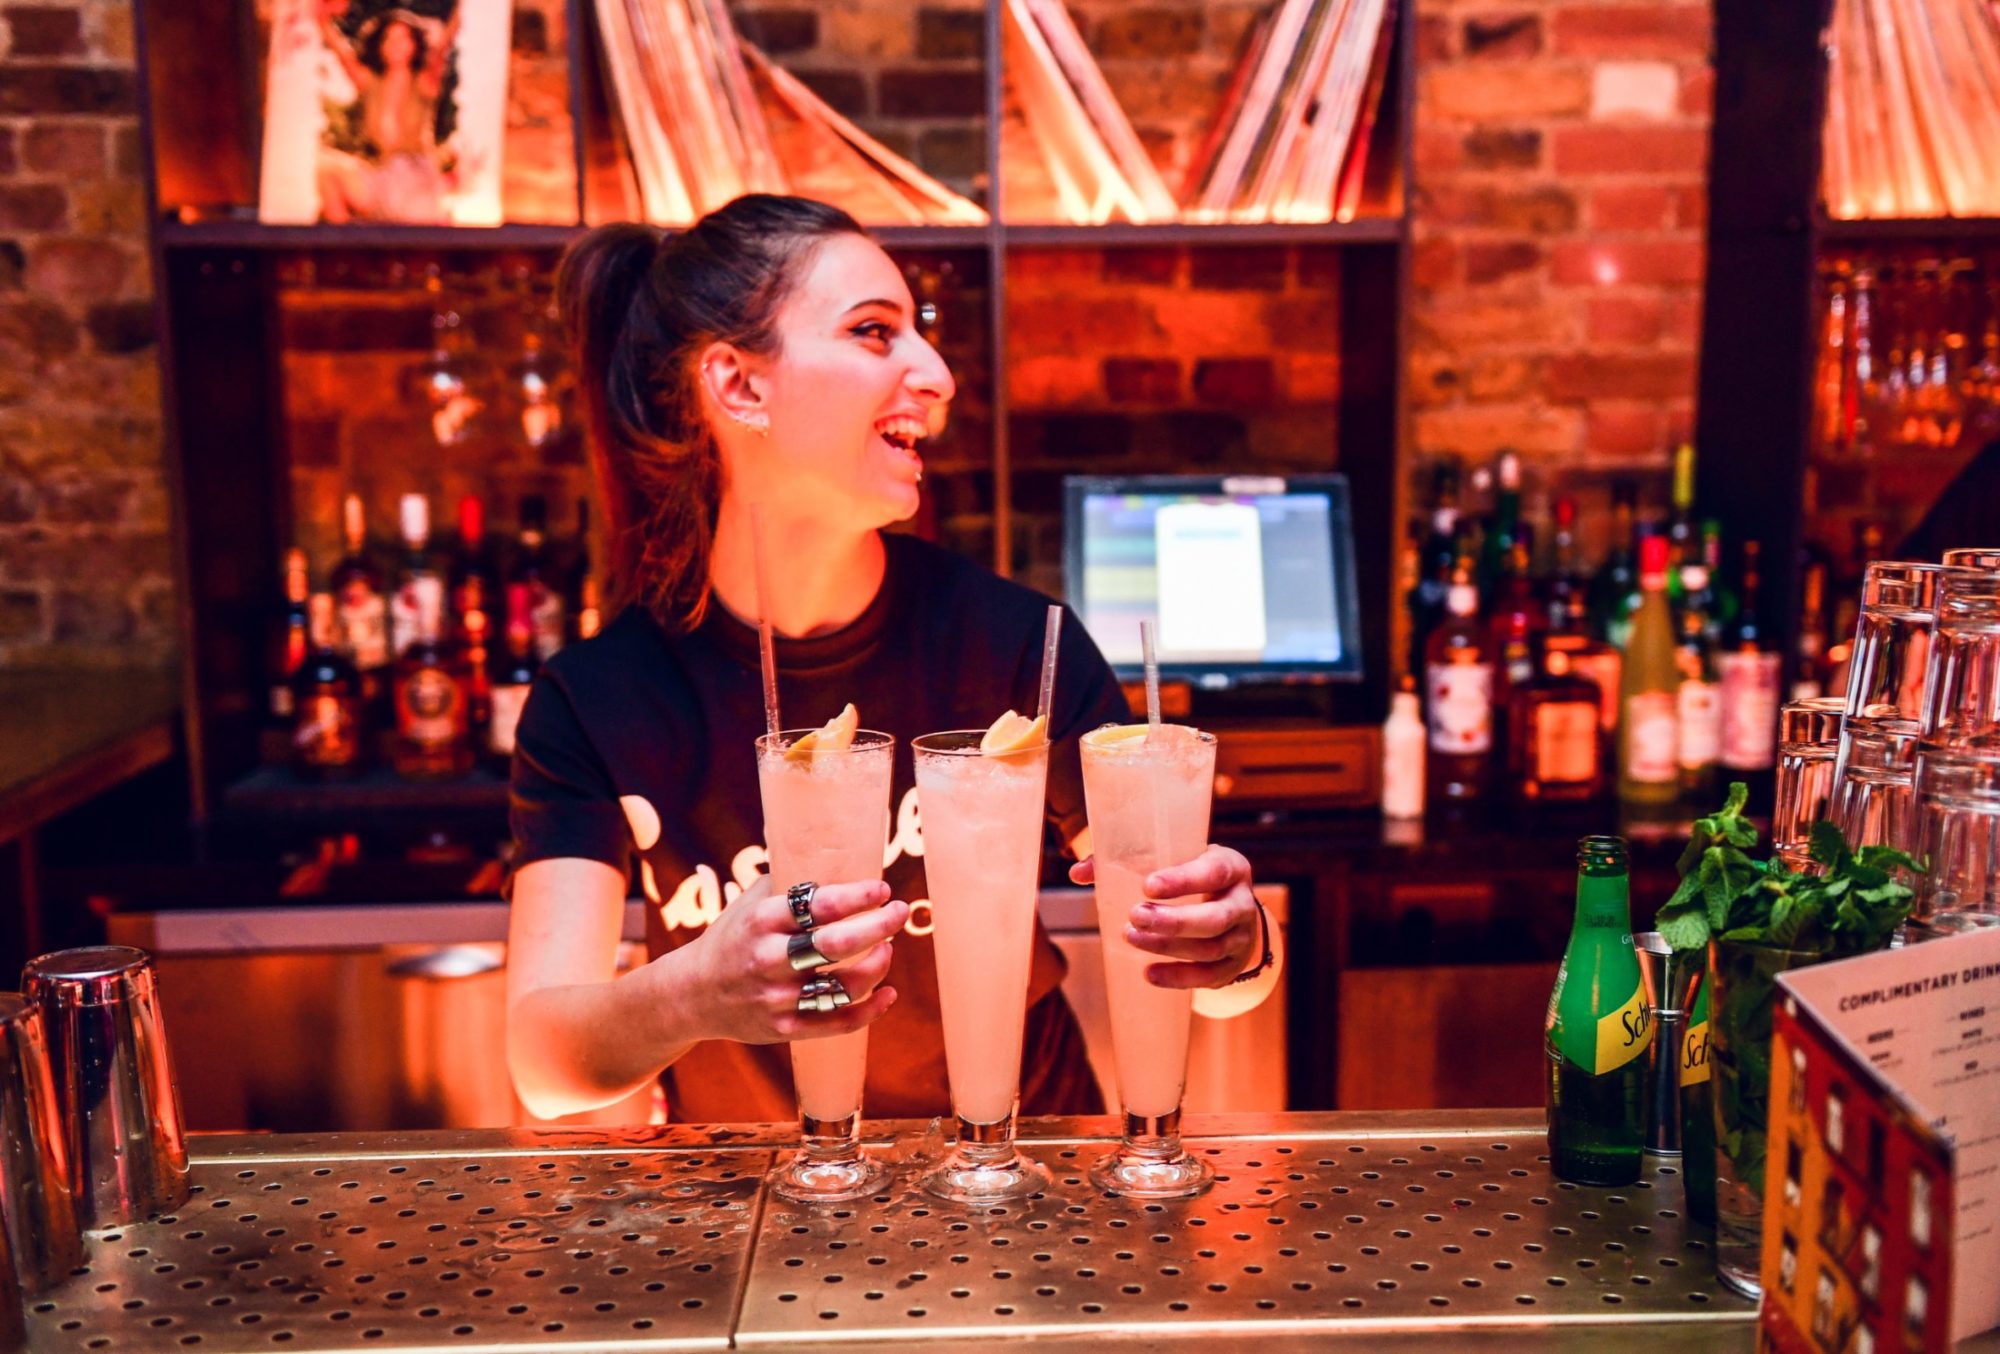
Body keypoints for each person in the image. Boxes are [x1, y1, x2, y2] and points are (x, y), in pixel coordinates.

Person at [504, 195, 1279, 1124]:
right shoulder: (597, 700)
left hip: (1026, 1185)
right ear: (738, 385)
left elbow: (1211, 975)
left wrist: (1238, 943)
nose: (938, 377)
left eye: (924, 333)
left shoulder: (1018, 646)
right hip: (760, 1211)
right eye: (875, 332)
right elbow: (543, 1068)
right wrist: (693, 992)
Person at [315, 1, 458, 224]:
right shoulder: (371, 84)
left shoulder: (423, 82)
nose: (396, 45)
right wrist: (321, 21)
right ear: (379, 45)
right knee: (327, 172)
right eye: (389, 38)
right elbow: (344, 56)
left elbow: (444, 46)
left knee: (416, 226)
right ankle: (350, 250)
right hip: (380, 175)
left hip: (413, 178)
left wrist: (463, 10)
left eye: (403, 38)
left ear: (414, 45)